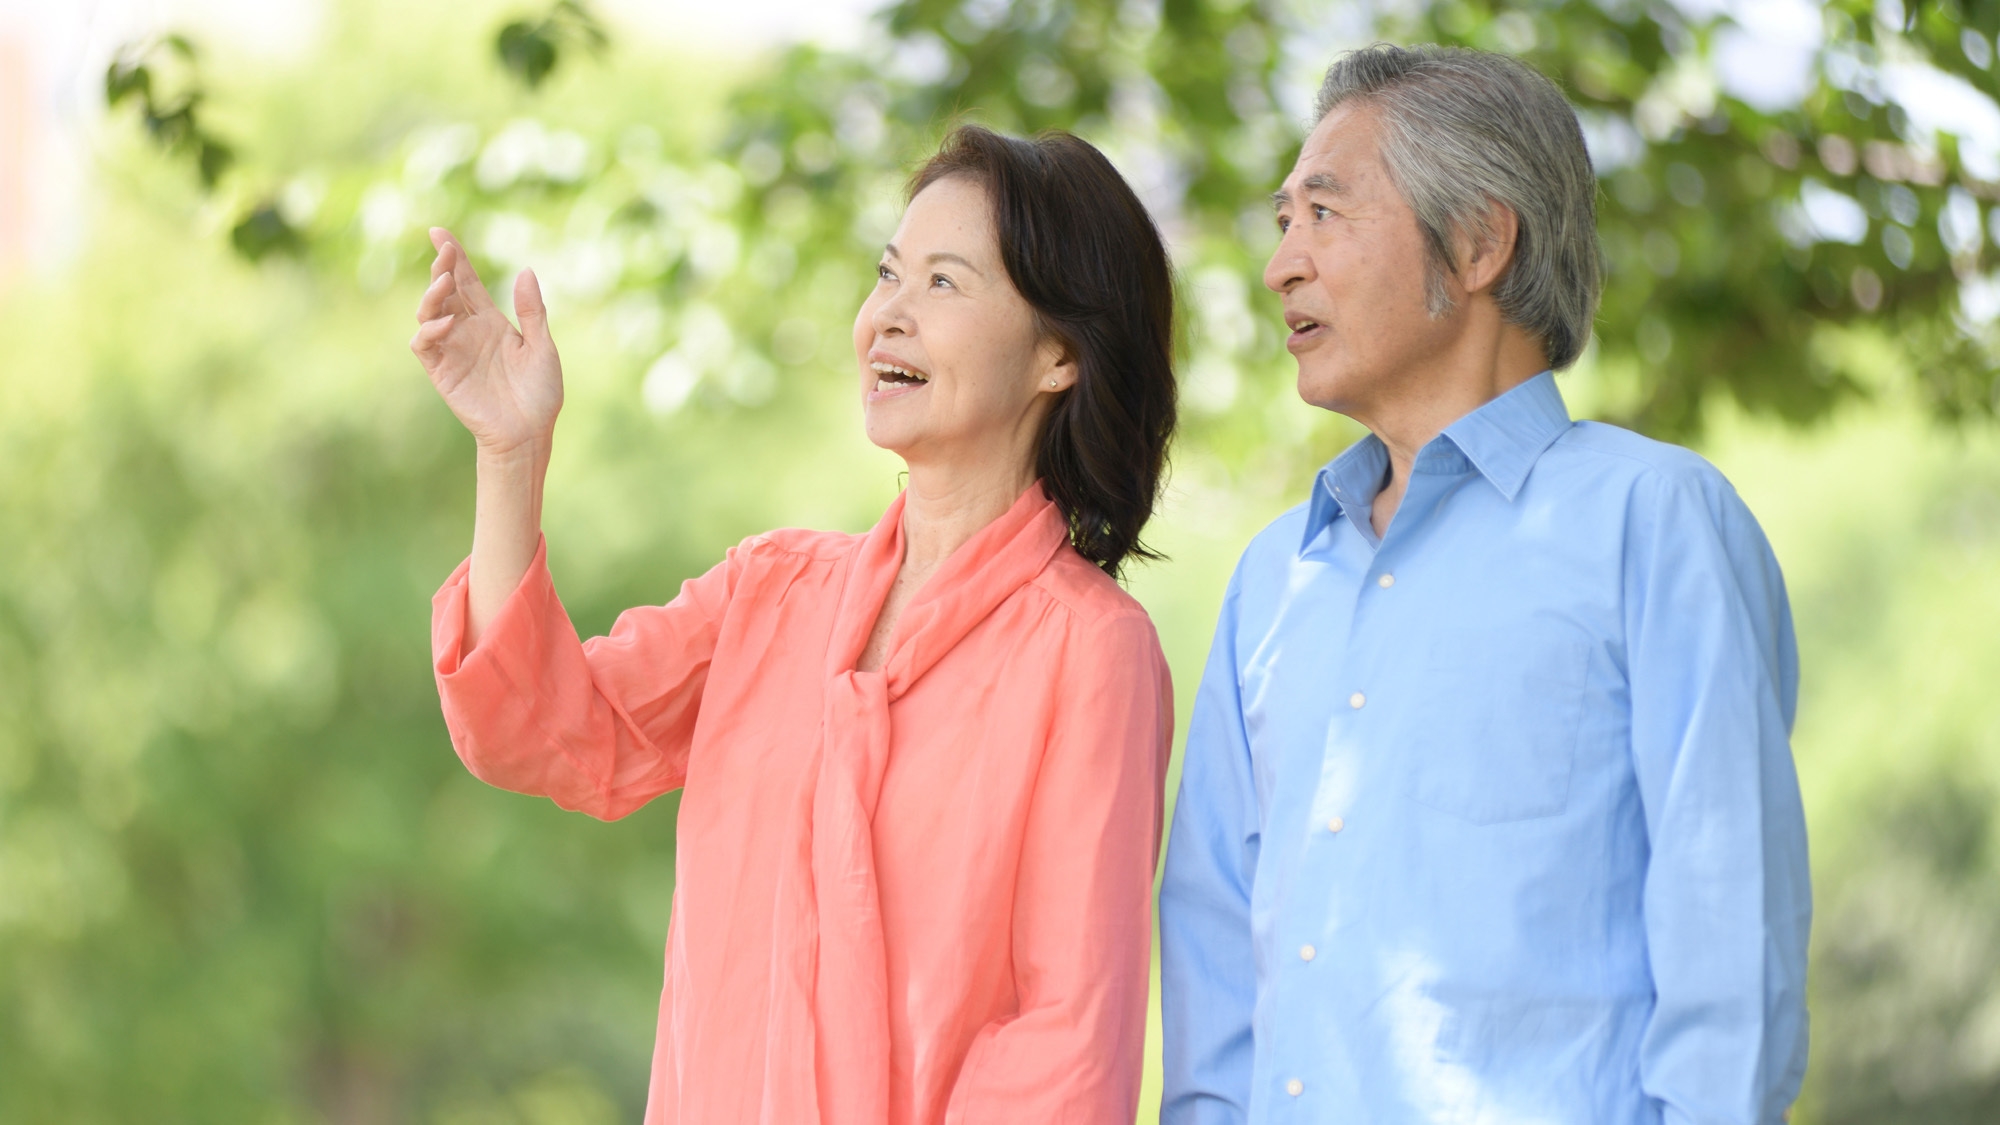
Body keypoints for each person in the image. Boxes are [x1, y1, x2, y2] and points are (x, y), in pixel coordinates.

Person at [411, 125, 1177, 1125]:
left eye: (943, 284)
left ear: (1058, 354)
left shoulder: (1089, 651)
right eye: (887, 274)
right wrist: (511, 454)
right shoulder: (768, 591)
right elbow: (542, 731)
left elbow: (1064, 1045)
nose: (888, 317)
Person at [1159, 44, 1810, 1125]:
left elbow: (1728, 946)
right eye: (1283, 222)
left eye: (1323, 213)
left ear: (1475, 243)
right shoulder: (1274, 577)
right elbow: (1214, 957)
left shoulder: (1652, 525)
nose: (1280, 264)